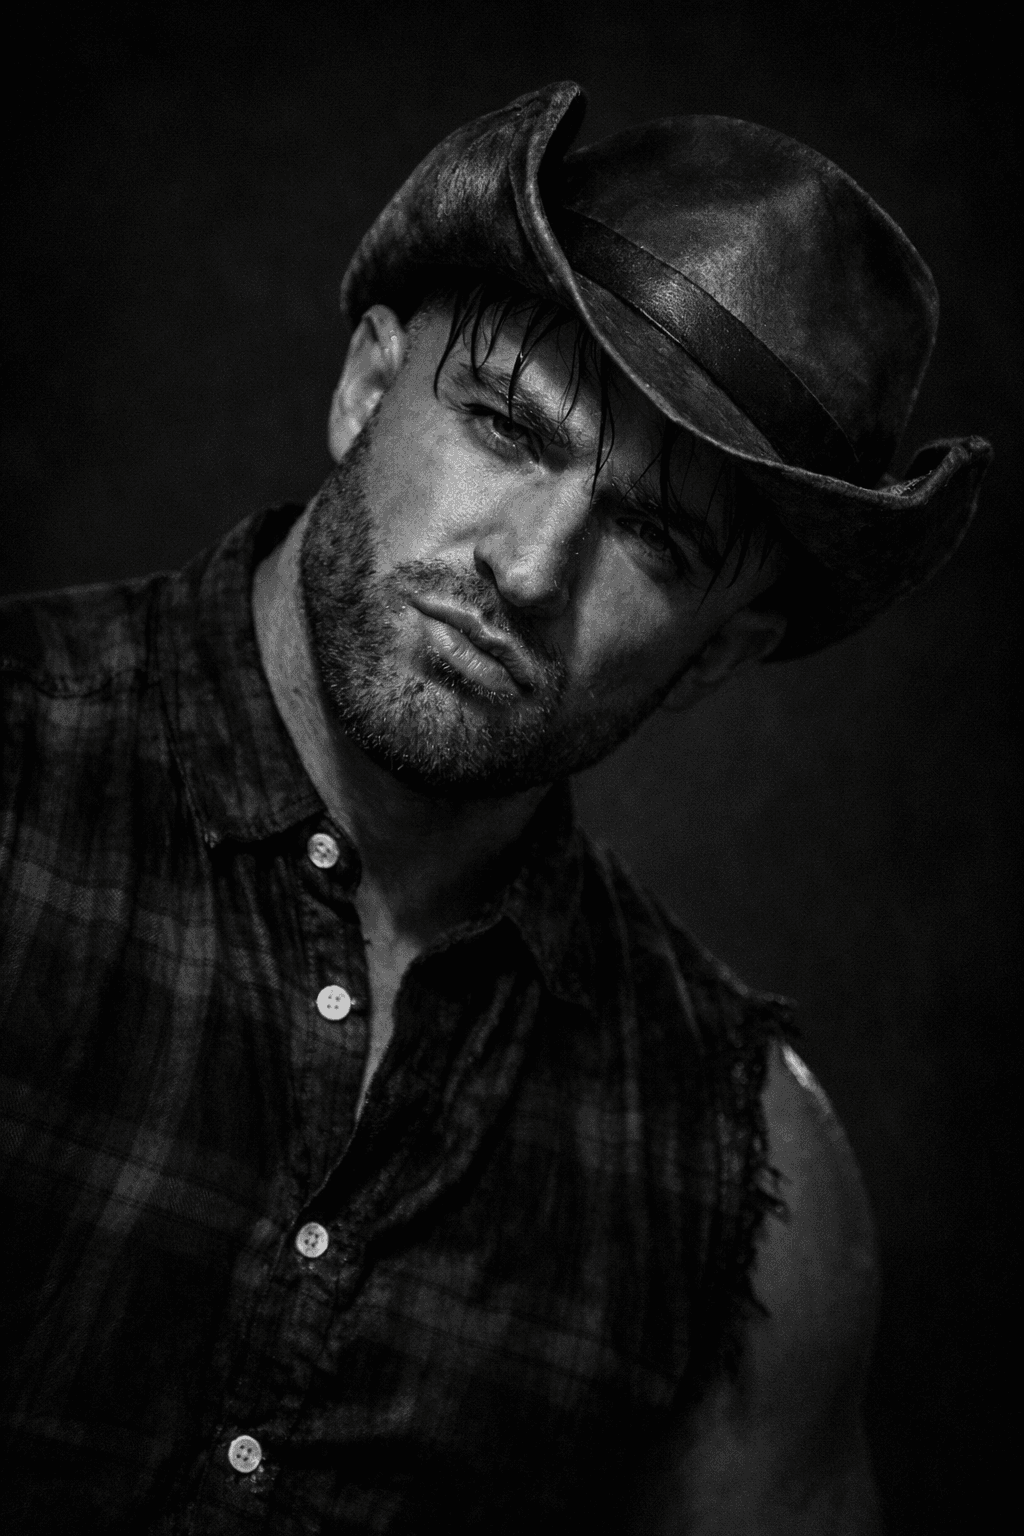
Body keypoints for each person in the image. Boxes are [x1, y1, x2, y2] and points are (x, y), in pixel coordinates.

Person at [0, 81, 990, 1534]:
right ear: (366, 388)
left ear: (719, 652)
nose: (526, 569)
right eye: (508, 428)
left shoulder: (741, 1181)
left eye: (651, 534)